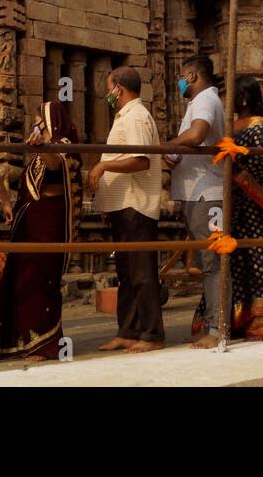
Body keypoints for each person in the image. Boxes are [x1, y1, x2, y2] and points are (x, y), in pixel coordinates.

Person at [0, 100, 82, 361]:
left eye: (40, 119)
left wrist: (44, 148)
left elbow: (56, 165)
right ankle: (23, 340)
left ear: (52, 121)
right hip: (30, 221)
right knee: (21, 279)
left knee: (39, 279)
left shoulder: (63, 148)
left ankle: (44, 344)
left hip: (48, 222)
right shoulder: (42, 151)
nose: (36, 124)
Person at [88, 67, 164, 353]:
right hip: (122, 205)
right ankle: (128, 330)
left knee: (142, 273)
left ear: (118, 88)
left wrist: (104, 165)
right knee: (127, 273)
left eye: (109, 88)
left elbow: (141, 160)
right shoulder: (125, 116)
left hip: (137, 204)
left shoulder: (136, 117)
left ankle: (152, 333)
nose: (107, 94)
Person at [161, 54, 227, 349]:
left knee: (214, 263)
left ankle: (218, 328)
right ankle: (212, 324)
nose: (179, 81)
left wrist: (169, 145)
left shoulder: (204, 100)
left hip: (208, 194)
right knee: (208, 263)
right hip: (198, 192)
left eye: (181, 75)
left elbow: (198, 133)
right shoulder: (200, 101)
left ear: (192, 75)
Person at [218, 76, 263, 339]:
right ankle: (236, 318)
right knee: (236, 260)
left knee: (259, 258)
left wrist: (231, 161)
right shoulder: (230, 124)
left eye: (232, 94)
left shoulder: (259, 126)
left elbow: (258, 162)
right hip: (234, 201)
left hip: (254, 201)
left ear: (245, 98)